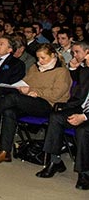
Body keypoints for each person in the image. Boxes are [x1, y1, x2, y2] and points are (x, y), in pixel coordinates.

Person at [0, 44, 72, 163]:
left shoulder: (62, 72)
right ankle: (4, 152)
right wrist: (20, 87)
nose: (39, 61)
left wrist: (36, 92)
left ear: (53, 56)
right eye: (38, 58)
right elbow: (25, 82)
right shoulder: (34, 68)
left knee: (12, 98)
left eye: (43, 58)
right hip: (30, 100)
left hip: (49, 104)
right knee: (9, 110)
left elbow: (56, 94)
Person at [36, 51, 89, 190]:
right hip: (82, 109)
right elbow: (79, 84)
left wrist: (84, 117)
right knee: (56, 117)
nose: (84, 58)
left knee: (82, 130)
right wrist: (73, 69)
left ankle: (84, 173)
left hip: (87, 115)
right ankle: (55, 161)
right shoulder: (86, 70)